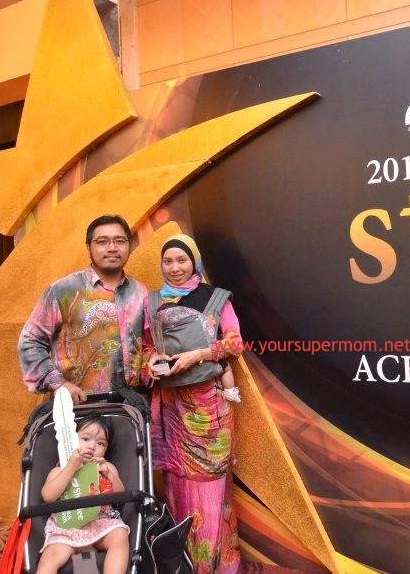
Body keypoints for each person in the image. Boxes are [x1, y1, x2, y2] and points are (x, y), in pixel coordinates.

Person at [143, 233, 244, 573]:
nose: (175, 267)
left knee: (212, 489)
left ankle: (216, 566)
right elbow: (146, 345)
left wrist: (198, 355)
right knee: (177, 485)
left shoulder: (215, 298)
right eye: (168, 261)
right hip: (171, 410)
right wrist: (152, 360)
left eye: (182, 260)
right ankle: (182, 565)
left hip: (209, 410)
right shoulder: (153, 301)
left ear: (194, 262)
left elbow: (234, 343)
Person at [19, 214, 149, 404]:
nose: (112, 248)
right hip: (77, 407)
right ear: (89, 248)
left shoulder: (141, 292)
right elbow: (30, 341)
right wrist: (59, 384)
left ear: (129, 245)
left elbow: (148, 345)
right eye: (102, 242)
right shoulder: (64, 290)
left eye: (120, 241)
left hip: (131, 408)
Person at [38, 415, 129, 574]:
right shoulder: (60, 470)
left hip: (100, 523)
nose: (92, 446)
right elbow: (48, 496)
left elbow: (120, 493)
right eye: (85, 439)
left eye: (100, 443)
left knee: (120, 536)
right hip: (68, 527)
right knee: (50, 557)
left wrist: (109, 475)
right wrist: (71, 467)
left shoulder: (106, 467)